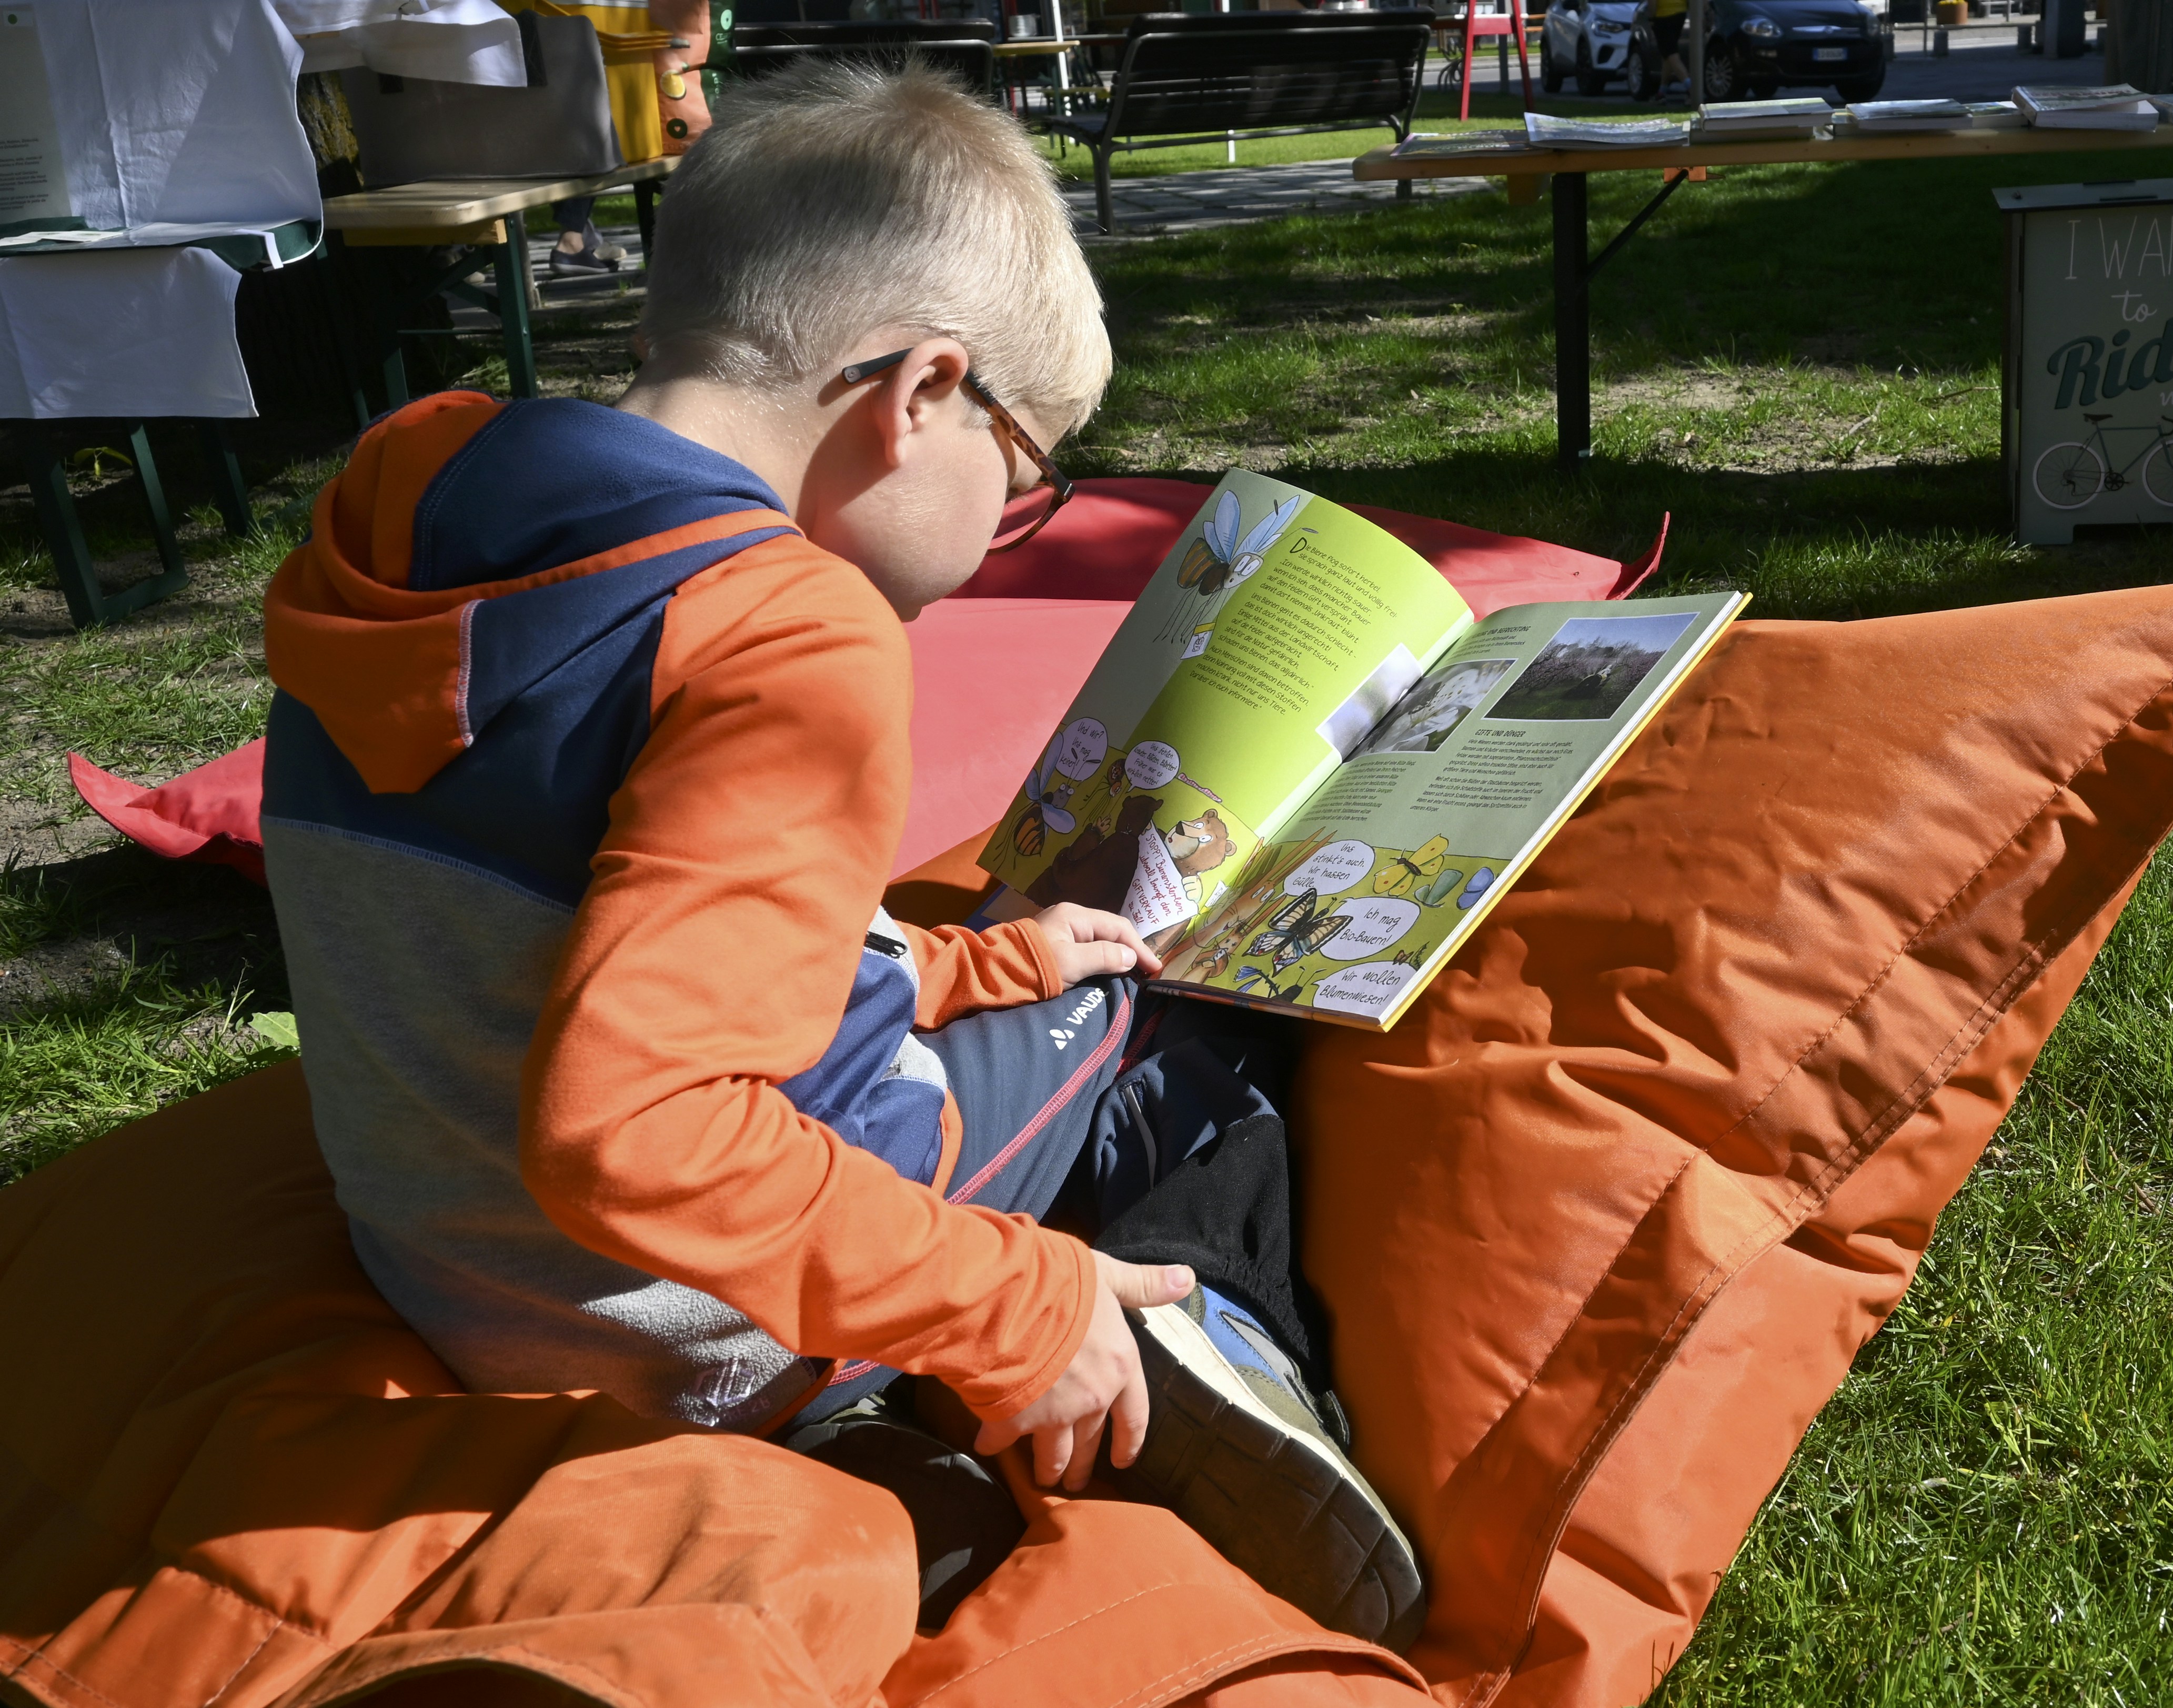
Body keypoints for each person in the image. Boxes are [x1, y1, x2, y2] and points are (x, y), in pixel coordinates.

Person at [257, 61, 1422, 1648]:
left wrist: (969, 966)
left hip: (458, 1273)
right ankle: (1179, 1338)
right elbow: (643, 1131)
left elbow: (596, 926)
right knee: (1187, 1015)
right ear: (920, 392)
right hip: (690, 1322)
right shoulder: (788, 633)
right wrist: (1023, 1304)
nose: (1010, 522)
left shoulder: (420, 506)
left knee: (1066, 969)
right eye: (1024, 476)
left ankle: (888, 1429)